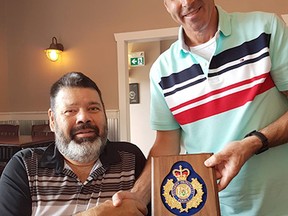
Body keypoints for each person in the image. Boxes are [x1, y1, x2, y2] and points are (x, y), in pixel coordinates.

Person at [113, 0, 288, 215]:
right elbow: (166, 143)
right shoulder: (161, 70)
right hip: (208, 209)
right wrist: (137, 196)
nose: (187, 2)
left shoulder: (265, 28)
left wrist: (252, 143)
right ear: (166, 5)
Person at [0, 72, 148, 216]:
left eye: (93, 108)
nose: (84, 118)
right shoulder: (24, 167)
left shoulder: (131, 159)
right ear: (52, 120)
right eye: (70, 110)